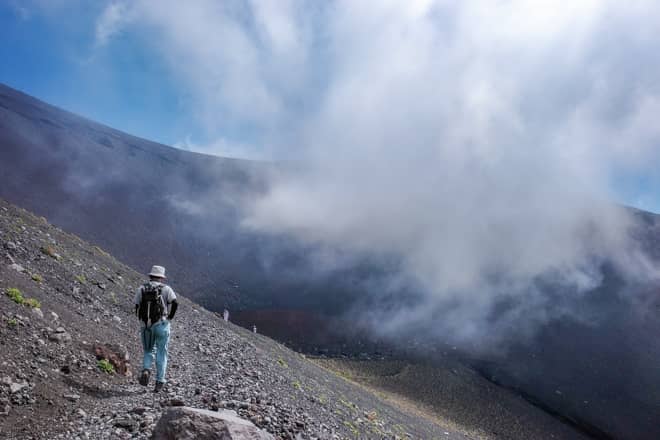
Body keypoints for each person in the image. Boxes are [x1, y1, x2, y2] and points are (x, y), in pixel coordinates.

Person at [134, 265, 178, 392]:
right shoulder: (167, 289)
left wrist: (143, 320)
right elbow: (175, 303)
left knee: (148, 350)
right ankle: (159, 381)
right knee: (161, 352)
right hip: (162, 325)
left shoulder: (142, 288)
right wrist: (170, 317)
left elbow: (136, 306)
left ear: (150, 276)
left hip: (146, 325)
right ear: (161, 278)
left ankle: (146, 369)